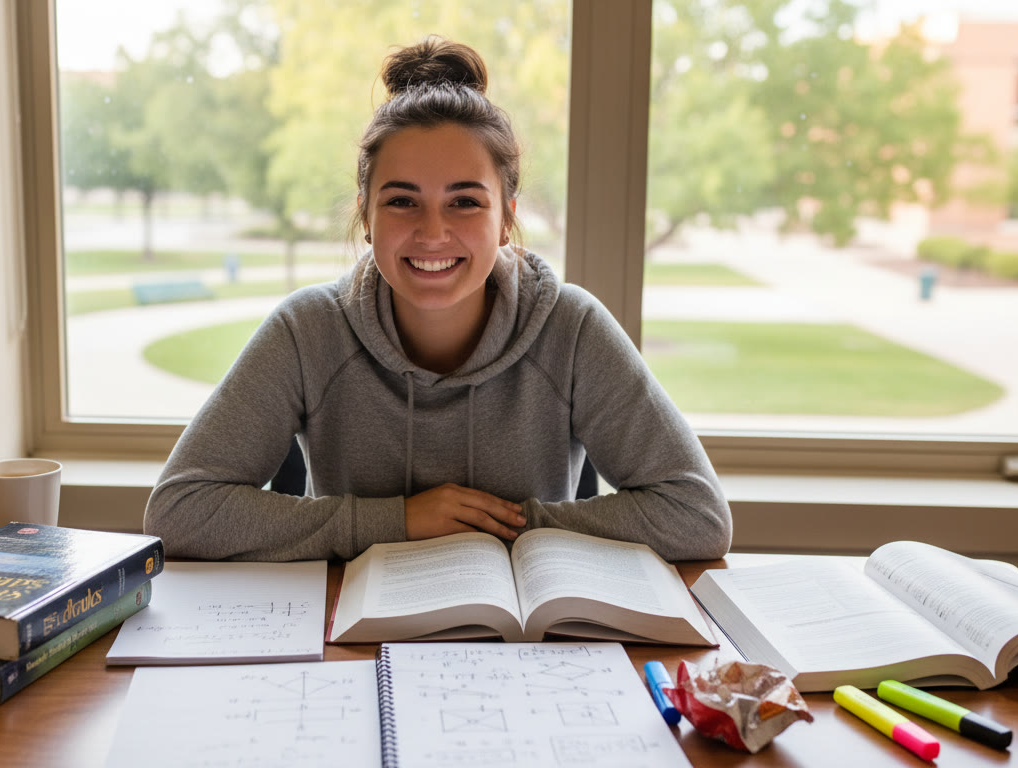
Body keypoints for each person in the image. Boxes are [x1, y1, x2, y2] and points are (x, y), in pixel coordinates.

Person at [144, 36, 731, 562]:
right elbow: (180, 511)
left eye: (465, 202)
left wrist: (504, 525)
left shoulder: (571, 327)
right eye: (402, 201)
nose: (431, 232)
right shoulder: (307, 330)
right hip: (351, 643)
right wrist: (396, 522)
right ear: (366, 217)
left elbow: (698, 516)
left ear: (506, 220)